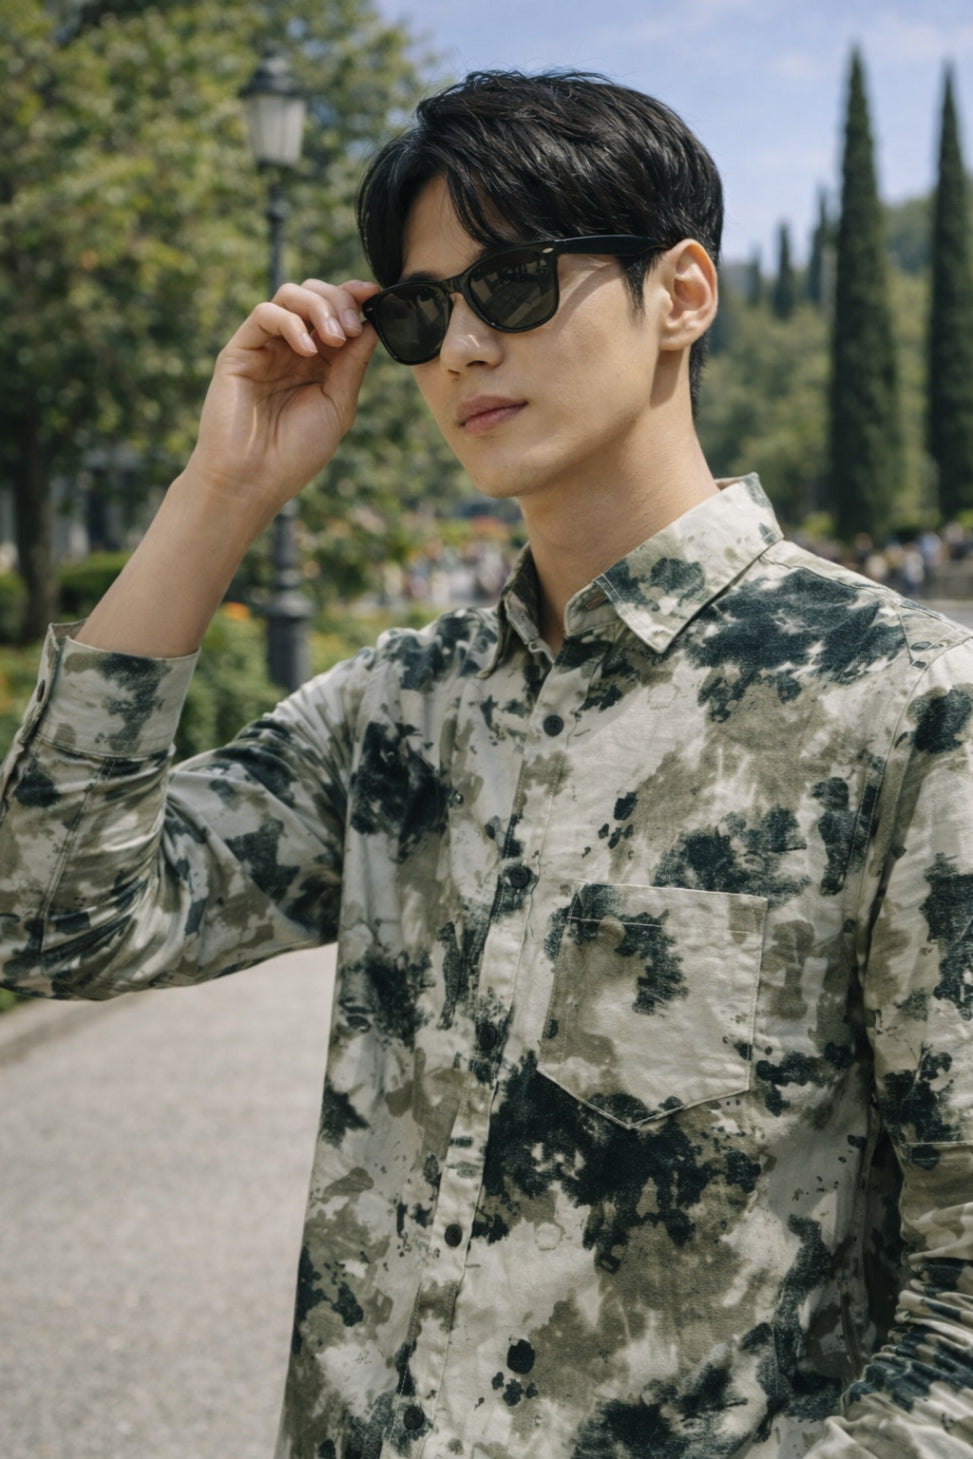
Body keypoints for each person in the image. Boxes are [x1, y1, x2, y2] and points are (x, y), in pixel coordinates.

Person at [2, 67, 973, 1459]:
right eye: (417, 311)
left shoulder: (902, 703)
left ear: (680, 294)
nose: (459, 346)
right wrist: (220, 494)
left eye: (513, 284)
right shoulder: (401, 706)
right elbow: (51, 915)